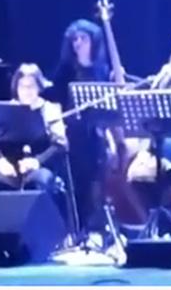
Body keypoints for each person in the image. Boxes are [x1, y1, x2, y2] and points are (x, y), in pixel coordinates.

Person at [48, 18, 115, 232]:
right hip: (73, 135)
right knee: (77, 183)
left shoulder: (102, 70)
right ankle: (76, 230)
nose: (77, 43)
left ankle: (96, 228)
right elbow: (54, 98)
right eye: (74, 39)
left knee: (97, 182)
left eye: (83, 38)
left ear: (93, 41)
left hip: (96, 136)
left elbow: (111, 109)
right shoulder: (66, 70)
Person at [0, 64, 69, 194]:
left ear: (39, 87)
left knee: (39, 181)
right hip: (12, 168)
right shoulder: (8, 109)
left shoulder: (50, 109)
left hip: (40, 166)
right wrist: (1, 160)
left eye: (31, 86)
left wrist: (37, 161)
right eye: (22, 86)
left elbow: (61, 146)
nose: (26, 91)